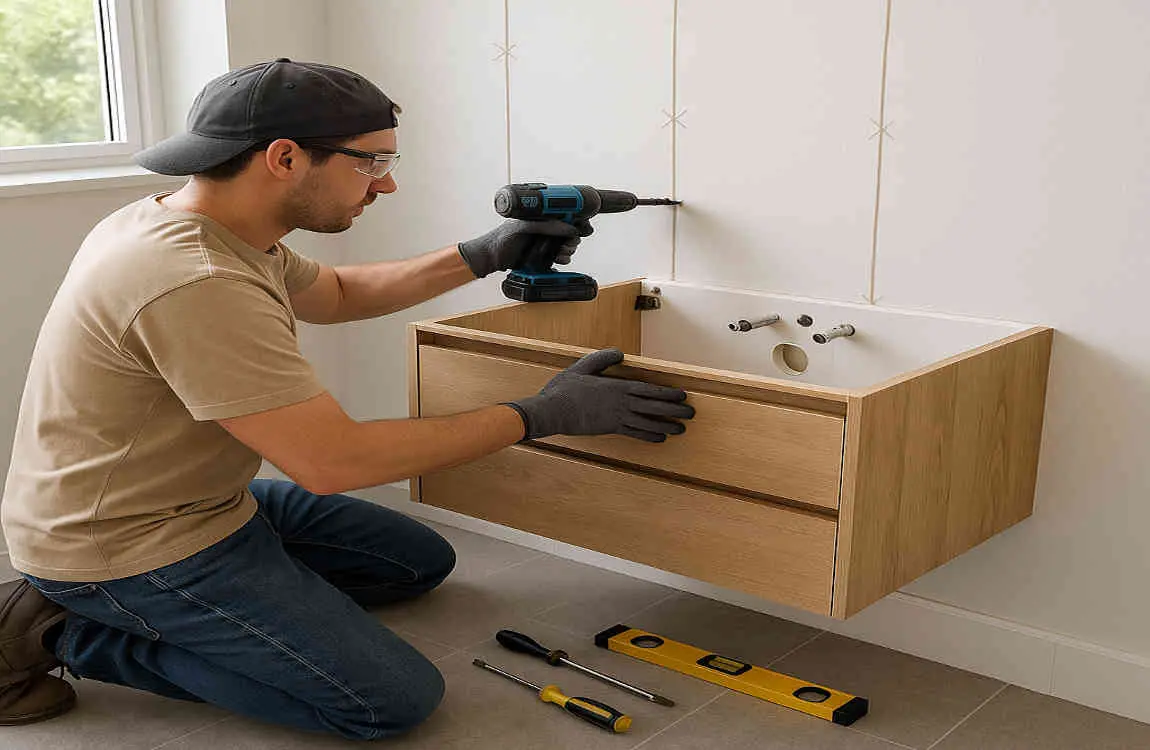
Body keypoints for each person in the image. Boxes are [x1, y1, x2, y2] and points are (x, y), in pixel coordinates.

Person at [0, 59, 694, 737]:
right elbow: (333, 462)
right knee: (389, 700)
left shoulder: (206, 224)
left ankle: (227, 592)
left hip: (196, 501)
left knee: (417, 563)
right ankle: (60, 630)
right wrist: (541, 415)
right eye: (371, 163)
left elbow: (335, 295)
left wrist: (483, 253)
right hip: (126, 542)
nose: (384, 186)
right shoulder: (194, 279)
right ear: (284, 158)